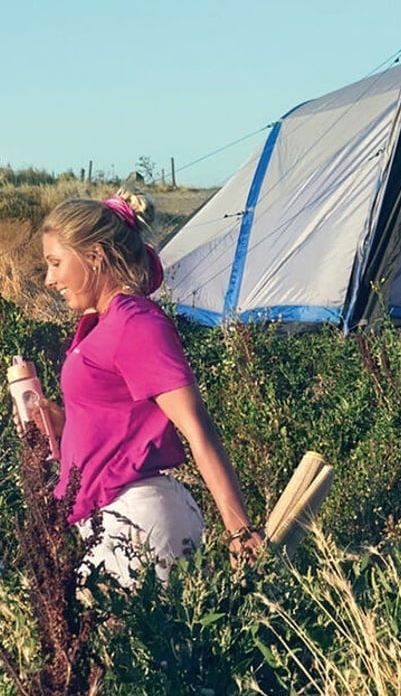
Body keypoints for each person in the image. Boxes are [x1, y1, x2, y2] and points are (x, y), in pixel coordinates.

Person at [33, 190, 264, 584]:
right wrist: (65, 424)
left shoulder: (135, 324)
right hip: (111, 518)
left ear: (94, 255)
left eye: (56, 263)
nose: (50, 279)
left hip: (140, 519)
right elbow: (120, 420)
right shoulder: (103, 325)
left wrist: (239, 530)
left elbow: (197, 427)